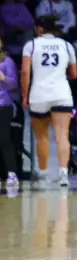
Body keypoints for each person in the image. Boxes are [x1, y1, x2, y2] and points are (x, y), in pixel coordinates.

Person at [20, 15, 76, 186]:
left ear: (39, 29)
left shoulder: (31, 45)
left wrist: (24, 96)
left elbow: (24, 73)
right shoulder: (67, 45)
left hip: (39, 94)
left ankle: (43, 173)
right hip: (61, 93)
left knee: (42, 137)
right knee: (62, 136)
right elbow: (74, 74)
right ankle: (63, 174)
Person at [0, 53, 20, 187]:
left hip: (2, 104)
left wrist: (3, 78)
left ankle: (11, 173)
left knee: (4, 139)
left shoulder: (7, 61)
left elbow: (13, 85)